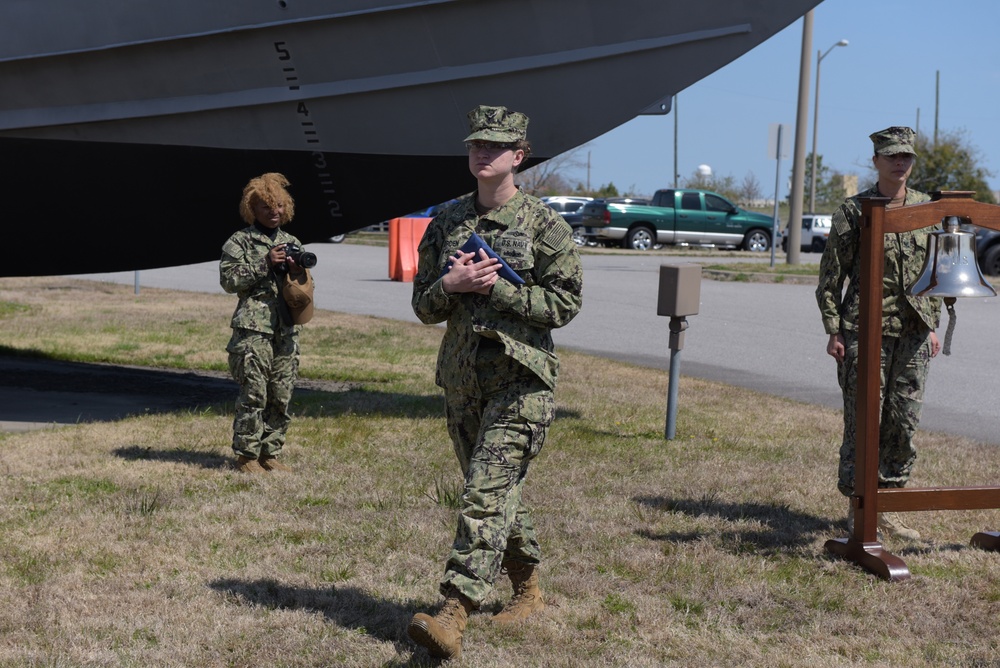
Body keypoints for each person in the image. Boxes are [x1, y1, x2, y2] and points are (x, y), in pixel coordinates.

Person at [408, 105, 583, 660]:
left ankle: (454, 612)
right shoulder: (447, 221)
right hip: (462, 381)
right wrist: (453, 284)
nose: (482, 154)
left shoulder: (544, 226)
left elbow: (564, 305)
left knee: (484, 496)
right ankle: (527, 588)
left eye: (495, 146)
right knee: (495, 492)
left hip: (521, 383)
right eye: (475, 145)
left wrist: (497, 291)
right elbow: (422, 306)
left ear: (519, 156)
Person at [815, 126, 942, 540]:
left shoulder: (927, 208)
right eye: (891, 156)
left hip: (913, 332)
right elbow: (831, 277)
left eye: (905, 156)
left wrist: (933, 323)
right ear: (876, 161)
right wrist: (834, 329)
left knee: (902, 424)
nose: (899, 162)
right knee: (864, 422)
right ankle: (859, 507)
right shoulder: (854, 211)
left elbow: (935, 273)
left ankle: (889, 504)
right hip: (863, 331)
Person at [220, 173, 309, 474]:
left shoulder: (292, 243)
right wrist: (265, 263)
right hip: (253, 328)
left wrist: (297, 272)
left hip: (286, 327)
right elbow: (229, 280)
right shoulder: (240, 241)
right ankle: (246, 455)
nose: (275, 212)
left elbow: (304, 289)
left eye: (280, 206)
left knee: (281, 393)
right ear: (253, 210)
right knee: (254, 392)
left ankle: (270, 452)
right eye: (267, 207)